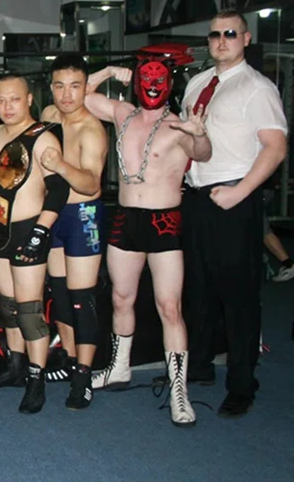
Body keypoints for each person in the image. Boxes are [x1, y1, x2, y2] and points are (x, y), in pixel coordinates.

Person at [84, 53, 212, 426]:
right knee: (120, 298)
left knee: (169, 307)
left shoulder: (178, 126)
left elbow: (203, 154)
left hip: (164, 221)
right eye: (146, 78)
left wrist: (198, 133)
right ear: (137, 81)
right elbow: (82, 96)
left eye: (159, 80)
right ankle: (119, 368)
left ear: (169, 84)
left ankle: (178, 390)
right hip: (126, 219)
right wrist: (109, 70)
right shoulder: (122, 114)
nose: (152, 85)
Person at [181, 10, 288, 418]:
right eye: (214, 34)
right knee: (199, 290)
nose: (221, 40)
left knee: (239, 297)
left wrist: (241, 192)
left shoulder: (257, 87)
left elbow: (276, 148)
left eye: (230, 33)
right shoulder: (197, 83)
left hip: (235, 198)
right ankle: (201, 365)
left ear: (245, 39)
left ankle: (242, 385)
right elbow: (191, 142)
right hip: (196, 198)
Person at [0, 74, 69, 414]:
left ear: (29, 99)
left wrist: (41, 230)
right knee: (9, 307)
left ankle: (36, 379)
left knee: (30, 312)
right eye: (0, 100)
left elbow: (59, 189)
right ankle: (15, 367)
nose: (7, 107)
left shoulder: (42, 138)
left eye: (14, 99)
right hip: (0, 230)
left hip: (31, 227)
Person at [37, 54, 109, 410]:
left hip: (83, 216)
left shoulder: (91, 130)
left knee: (82, 298)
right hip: (54, 215)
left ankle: (84, 374)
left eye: (75, 86)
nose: (67, 95)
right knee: (60, 294)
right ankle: (68, 360)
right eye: (60, 86)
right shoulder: (49, 115)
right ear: (51, 88)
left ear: (85, 89)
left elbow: (91, 183)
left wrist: (61, 165)